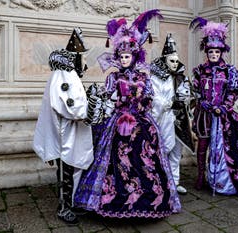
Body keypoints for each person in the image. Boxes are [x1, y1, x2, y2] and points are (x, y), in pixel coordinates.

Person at [74, 9, 181, 218]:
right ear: (118, 57)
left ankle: (149, 202)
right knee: (113, 161)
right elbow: (107, 98)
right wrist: (115, 105)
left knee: (145, 160)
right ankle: (112, 201)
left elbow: (149, 98)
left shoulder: (144, 76)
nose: (124, 60)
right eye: (121, 56)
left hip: (141, 123)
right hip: (117, 122)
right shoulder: (113, 77)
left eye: (128, 56)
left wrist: (139, 108)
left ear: (134, 56)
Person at [189, 17, 238, 198]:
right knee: (202, 145)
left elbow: (233, 92)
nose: (214, 55)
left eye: (217, 52)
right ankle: (201, 175)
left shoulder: (230, 71)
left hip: (223, 117)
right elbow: (195, 91)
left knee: (223, 148)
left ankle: (220, 179)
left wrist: (224, 107)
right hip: (204, 115)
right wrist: (202, 102)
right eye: (211, 52)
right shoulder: (199, 71)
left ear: (221, 52)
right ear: (206, 52)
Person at [32, 27, 94, 225]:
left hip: (73, 131)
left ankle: (73, 202)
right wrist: (91, 110)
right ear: (75, 57)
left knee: (74, 167)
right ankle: (64, 207)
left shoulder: (70, 74)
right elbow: (70, 107)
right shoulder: (64, 76)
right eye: (82, 58)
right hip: (64, 133)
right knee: (65, 169)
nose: (85, 63)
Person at [150, 33, 195, 195]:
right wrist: (166, 104)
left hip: (180, 119)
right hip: (165, 118)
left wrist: (187, 97)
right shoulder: (157, 78)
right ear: (164, 60)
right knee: (164, 150)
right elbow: (154, 97)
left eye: (177, 61)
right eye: (171, 61)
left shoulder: (181, 77)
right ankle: (161, 182)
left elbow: (188, 96)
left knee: (176, 152)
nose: (175, 64)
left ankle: (174, 182)